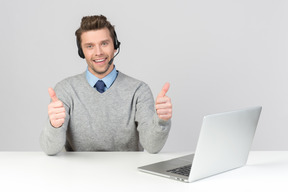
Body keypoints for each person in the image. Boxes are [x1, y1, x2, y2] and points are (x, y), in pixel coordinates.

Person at [40, 15, 172, 155]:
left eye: (104, 43)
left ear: (115, 46)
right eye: (90, 46)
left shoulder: (139, 90)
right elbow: (50, 150)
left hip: (128, 174)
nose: (98, 52)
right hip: (78, 174)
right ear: (81, 52)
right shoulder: (65, 90)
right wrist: (55, 126)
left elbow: (152, 147)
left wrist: (162, 121)